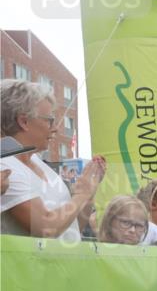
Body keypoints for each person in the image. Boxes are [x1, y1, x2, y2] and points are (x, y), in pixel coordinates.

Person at [1, 79, 106, 241]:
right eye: (49, 120)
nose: (55, 128)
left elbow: (72, 228)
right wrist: (81, 195)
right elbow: (45, 228)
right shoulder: (5, 167)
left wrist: (88, 192)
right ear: (23, 121)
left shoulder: (37, 162)